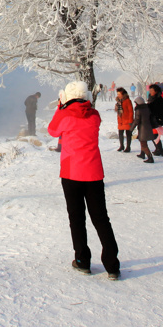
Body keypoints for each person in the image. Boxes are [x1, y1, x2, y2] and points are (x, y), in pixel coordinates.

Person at [48, 80, 121, 280]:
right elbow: (85, 111)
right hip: (94, 173)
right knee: (101, 218)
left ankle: (82, 260)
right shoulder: (94, 116)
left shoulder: (64, 115)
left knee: (77, 218)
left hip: (71, 173)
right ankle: (112, 265)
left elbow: (52, 131)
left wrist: (60, 106)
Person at [133, 91, 156, 163]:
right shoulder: (146, 108)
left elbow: (137, 120)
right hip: (147, 127)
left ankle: (150, 157)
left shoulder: (138, 110)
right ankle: (142, 153)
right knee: (143, 141)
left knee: (143, 143)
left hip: (143, 128)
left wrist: (131, 129)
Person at [147, 84, 163, 156]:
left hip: (156, 119)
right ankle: (158, 149)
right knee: (153, 135)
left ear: (156, 91)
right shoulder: (152, 98)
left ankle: (160, 150)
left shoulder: (158, 99)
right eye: (150, 90)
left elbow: (156, 109)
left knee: (154, 135)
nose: (150, 92)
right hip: (153, 119)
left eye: (152, 90)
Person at [114, 88, 134, 152]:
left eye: (119, 94)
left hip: (127, 120)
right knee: (120, 133)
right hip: (121, 120)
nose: (118, 95)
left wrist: (131, 121)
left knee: (128, 134)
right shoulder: (118, 101)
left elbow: (131, 111)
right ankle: (121, 146)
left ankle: (128, 147)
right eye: (117, 94)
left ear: (123, 94)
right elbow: (117, 111)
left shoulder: (127, 101)